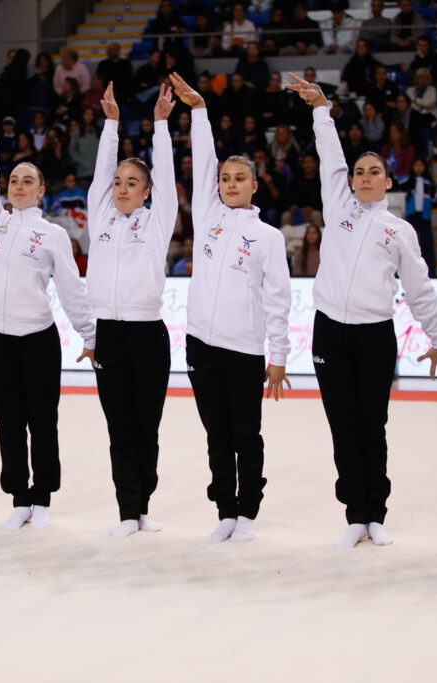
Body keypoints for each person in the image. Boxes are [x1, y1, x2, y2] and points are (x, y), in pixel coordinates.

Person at [286, 73, 437, 549]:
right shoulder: (338, 207)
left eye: (374, 171)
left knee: (372, 425)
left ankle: (377, 512)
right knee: (343, 425)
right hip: (330, 331)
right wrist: (320, 109)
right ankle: (355, 513)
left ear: (388, 181)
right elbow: (331, 155)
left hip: (375, 335)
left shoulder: (400, 231)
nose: (364, 177)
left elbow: (419, 287)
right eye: (359, 172)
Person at [168, 72, 291, 543]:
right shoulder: (207, 217)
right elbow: (202, 163)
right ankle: (225, 508)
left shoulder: (268, 237)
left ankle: (248, 510)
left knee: (245, 434)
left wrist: (278, 355)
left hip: (244, 349)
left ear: (255, 186)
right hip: (201, 344)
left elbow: (278, 299)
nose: (230, 184)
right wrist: (199, 111)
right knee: (216, 434)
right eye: (225, 178)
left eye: (240, 179)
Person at [0, 83, 96, 531]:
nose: (19, 186)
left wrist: (89, 334)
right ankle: (18, 497)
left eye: (28, 182)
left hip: (39, 340)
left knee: (42, 421)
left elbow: (72, 290)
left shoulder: (54, 234)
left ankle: (42, 496)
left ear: (42, 192)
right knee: (8, 423)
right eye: (14, 181)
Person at [87, 84, 177, 537]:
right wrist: (111, 125)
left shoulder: (157, 221)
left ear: (147, 192)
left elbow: (167, 178)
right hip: (109, 334)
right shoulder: (100, 217)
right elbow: (101, 172)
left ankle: (143, 506)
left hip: (147, 336)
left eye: (132, 183)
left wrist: (161, 125)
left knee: (147, 427)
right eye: (118, 182)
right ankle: (127, 512)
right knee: (119, 428)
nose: (121, 188)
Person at [398, 156, 437, 276]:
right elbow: (397, 184)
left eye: (421, 165)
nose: (419, 168)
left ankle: (430, 272)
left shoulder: (429, 181)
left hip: (424, 215)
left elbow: (436, 196)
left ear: (425, 167)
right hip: (412, 215)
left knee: (427, 244)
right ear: (412, 166)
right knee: (409, 243)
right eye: (416, 165)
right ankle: (407, 270)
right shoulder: (407, 179)